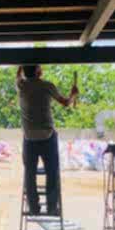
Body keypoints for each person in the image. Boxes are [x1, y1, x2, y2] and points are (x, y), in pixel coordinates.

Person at [16, 65, 78, 215]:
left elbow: (18, 74)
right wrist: (73, 94)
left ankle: (33, 208)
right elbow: (66, 103)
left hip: (29, 137)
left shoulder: (21, 85)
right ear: (38, 71)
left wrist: (21, 64)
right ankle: (51, 207)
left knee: (30, 173)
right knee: (52, 171)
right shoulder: (47, 86)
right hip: (47, 136)